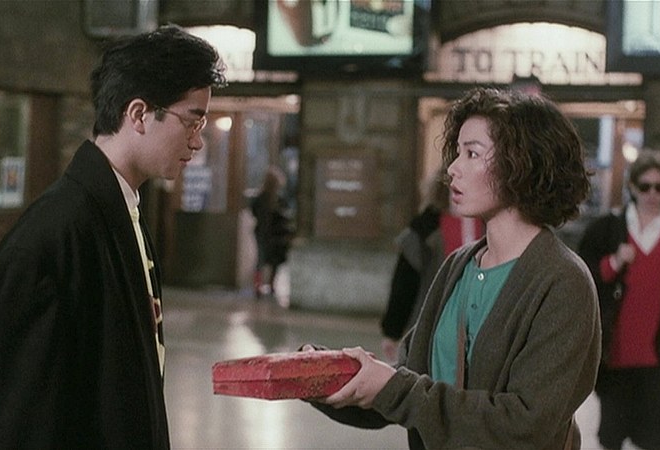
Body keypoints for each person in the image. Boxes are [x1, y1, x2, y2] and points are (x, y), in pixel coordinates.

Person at [0, 25, 226, 449]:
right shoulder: (52, 235)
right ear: (139, 114)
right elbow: (15, 421)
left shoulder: (124, 211)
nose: (197, 142)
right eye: (192, 121)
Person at [304, 87, 601, 450]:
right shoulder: (458, 266)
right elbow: (407, 387)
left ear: (523, 164)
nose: (452, 168)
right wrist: (325, 374)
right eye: (458, 152)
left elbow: (524, 425)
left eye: (472, 153)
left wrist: (394, 389)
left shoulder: (562, 282)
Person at [578, 149, 660, 450]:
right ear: (633, 187)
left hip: (657, 353)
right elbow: (583, 273)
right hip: (615, 352)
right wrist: (613, 263)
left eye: (659, 187)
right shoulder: (608, 229)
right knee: (612, 432)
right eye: (645, 186)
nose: (652, 194)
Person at [379, 169, 482, 362]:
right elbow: (405, 283)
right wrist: (392, 330)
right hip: (435, 326)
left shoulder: (492, 225)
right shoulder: (425, 229)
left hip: (476, 328)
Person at [250, 165, 294, 298]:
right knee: (272, 260)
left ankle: (260, 285)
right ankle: (269, 285)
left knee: (262, 259)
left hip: (265, 232)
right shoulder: (277, 199)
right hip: (274, 234)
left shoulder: (261, 198)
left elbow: (254, 212)